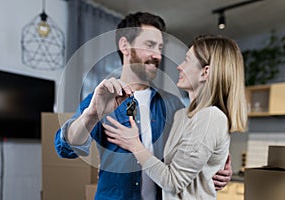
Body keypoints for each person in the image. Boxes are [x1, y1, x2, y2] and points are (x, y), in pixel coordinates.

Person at [54, 12, 232, 200]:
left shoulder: (173, 105)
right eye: (149, 45)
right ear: (125, 46)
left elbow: (192, 152)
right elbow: (66, 149)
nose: (157, 55)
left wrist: (215, 166)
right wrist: (91, 115)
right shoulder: (99, 99)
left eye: (160, 47)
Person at [103, 34, 248, 199]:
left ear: (205, 73)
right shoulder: (181, 115)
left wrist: (134, 144)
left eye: (187, 60)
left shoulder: (211, 118)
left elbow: (173, 182)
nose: (179, 66)